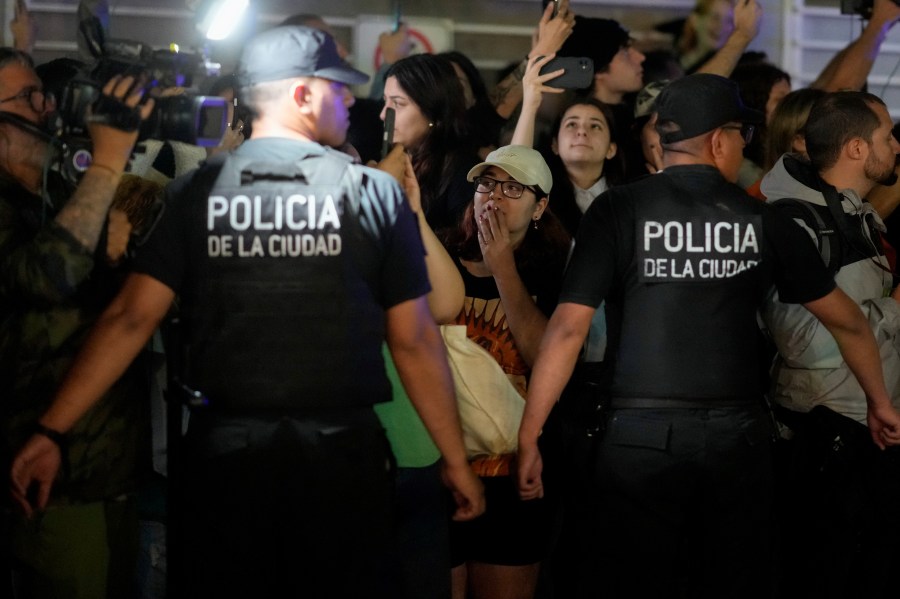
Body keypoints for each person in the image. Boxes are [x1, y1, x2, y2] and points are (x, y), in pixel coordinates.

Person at [9, 26, 485, 598]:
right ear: (302, 95)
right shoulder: (372, 194)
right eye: (338, 88)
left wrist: (49, 430)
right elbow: (413, 340)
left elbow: (130, 320)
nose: (351, 102)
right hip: (338, 460)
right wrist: (454, 458)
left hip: (225, 461)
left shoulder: (197, 193)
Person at [514, 73, 900, 599]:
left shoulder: (618, 210)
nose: (745, 144)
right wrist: (880, 401)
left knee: (631, 582)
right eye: (741, 133)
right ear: (719, 140)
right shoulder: (764, 220)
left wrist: (531, 430)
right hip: (735, 441)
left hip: (636, 440)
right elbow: (848, 320)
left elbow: (566, 329)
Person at [0, 47, 155, 598]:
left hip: (112, 458)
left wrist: (116, 257)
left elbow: (114, 311)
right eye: (27, 98)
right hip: (49, 474)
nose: (46, 109)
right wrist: (110, 162)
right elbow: (44, 277)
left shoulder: (57, 189)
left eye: (44, 95)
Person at [758, 90, 900, 599]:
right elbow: (802, 340)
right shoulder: (797, 221)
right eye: (888, 137)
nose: (897, 146)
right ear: (858, 149)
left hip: (867, 434)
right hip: (826, 441)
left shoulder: (855, 214)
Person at [440, 145, 570, 599]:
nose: (494, 196)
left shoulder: (559, 272)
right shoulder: (442, 258)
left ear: (541, 207)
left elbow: (544, 357)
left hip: (517, 476)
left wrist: (502, 270)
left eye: (513, 187)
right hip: (443, 467)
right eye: (486, 184)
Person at [381, 53, 480, 231]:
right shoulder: (390, 159)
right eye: (384, 101)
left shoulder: (463, 174)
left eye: (398, 104)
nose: (383, 115)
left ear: (433, 111)